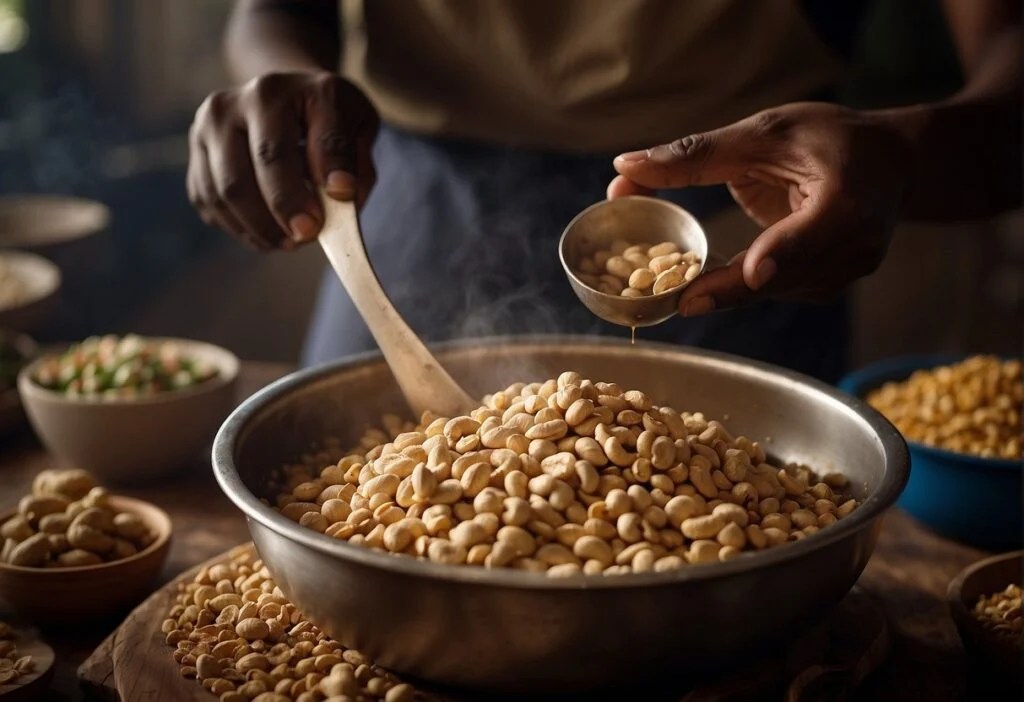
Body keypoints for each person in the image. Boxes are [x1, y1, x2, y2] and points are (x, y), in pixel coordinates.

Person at [187, 1, 1021, 382]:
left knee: (740, 576)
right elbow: (269, 11)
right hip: (408, 194)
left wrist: (904, 154)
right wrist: (282, 85)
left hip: (740, 216)